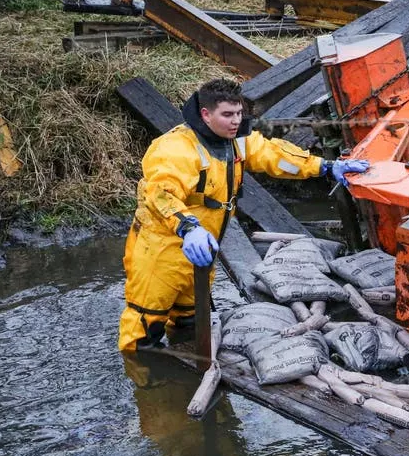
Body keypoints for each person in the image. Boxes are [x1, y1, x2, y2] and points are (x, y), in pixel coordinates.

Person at [118, 78, 370, 351]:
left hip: (203, 251)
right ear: (206, 114)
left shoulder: (237, 141)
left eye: (239, 113)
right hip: (162, 250)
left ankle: (186, 377)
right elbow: (160, 194)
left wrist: (325, 167)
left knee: (191, 321)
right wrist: (188, 227)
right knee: (143, 331)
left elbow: (275, 155)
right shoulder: (175, 149)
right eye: (227, 115)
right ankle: (145, 385)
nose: (236, 121)